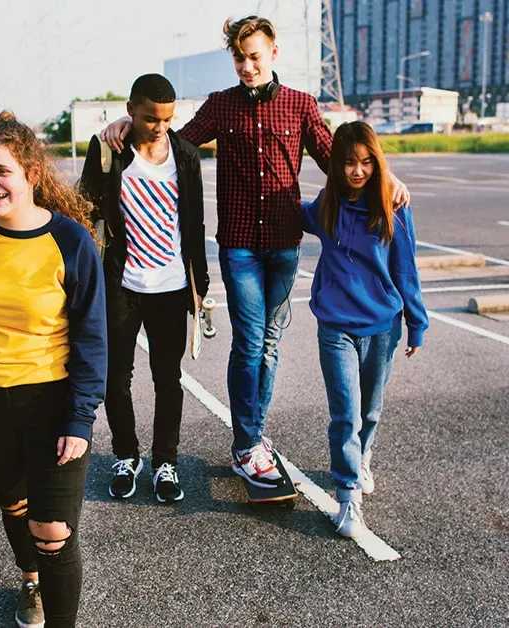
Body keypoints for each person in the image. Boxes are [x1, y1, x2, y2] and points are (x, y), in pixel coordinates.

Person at [101, 15, 410, 489]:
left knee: (269, 345)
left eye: (255, 57)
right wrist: (124, 121)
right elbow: (172, 136)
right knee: (248, 342)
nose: (247, 66)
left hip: (286, 245)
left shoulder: (302, 106)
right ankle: (246, 443)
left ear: (273, 53)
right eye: (239, 58)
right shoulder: (222, 106)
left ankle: (255, 433)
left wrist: (386, 179)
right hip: (240, 245)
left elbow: (339, 160)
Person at [0, 111, 106, 628]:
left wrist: (80, 419)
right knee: (13, 504)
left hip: (51, 401)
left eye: (2, 171)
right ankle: (29, 580)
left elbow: (94, 337)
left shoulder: (71, 241)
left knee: (52, 528)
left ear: (31, 173)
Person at [79, 73, 208, 503]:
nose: (159, 127)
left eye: (167, 119)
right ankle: (126, 455)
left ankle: (165, 462)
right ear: (131, 109)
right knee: (116, 378)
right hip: (121, 283)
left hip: (171, 286)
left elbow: (195, 224)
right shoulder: (107, 152)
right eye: (151, 118)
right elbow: (84, 211)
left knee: (167, 378)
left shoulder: (186, 157)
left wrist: (199, 285)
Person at [300, 121, 428, 538]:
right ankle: (348, 495)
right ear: (335, 164)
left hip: (382, 326)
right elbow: (289, 212)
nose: (357, 171)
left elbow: (406, 268)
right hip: (335, 325)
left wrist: (416, 324)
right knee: (345, 414)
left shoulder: (393, 206)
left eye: (367, 163)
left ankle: (364, 456)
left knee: (370, 410)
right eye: (349, 163)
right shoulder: (326, 206)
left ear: (377, 163)